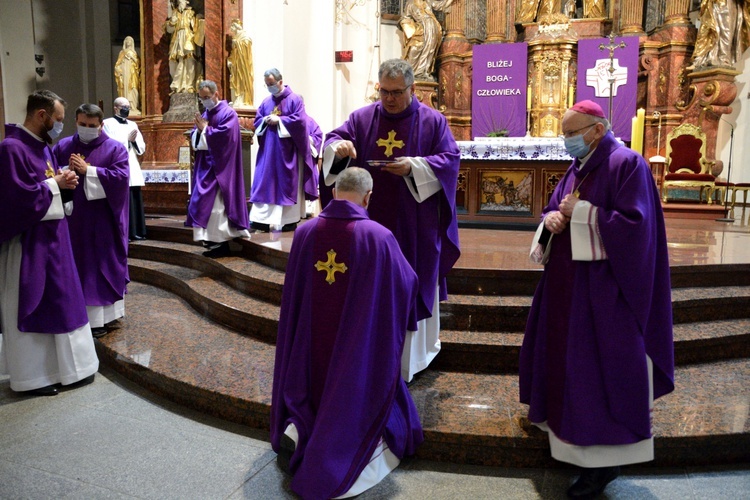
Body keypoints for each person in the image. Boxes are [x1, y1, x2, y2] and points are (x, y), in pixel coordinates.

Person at [520, 100, 674, 498]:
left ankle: (603, 466)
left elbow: (637, 229)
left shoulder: (627, 164)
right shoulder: (578, 167)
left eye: (572, 132)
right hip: (567, 287)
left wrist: (584, 213)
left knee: (598, 374)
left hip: (607, 293)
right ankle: (572, 444)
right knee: (570, 369)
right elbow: (557, 209)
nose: (566, 140)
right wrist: (550, 220)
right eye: (565, 133)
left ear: (597, 129)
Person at [271, 167, 423, 499]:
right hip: (353, 343)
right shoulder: (378, 237)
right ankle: (331, 440)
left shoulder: (305, 232)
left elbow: (294, 297)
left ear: (336, 191)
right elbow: (406, 283)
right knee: (353, 381)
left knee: (313, 376)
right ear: (368, 197)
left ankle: (300, 423)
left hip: (309, 344)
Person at [322, 58, 461, 383]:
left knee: (411, 282)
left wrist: (414, 167)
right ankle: (368, 356)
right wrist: (337, 148)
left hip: (414, 223)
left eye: (397, 92)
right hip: (368, 222)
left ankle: (408, 362)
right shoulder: (362, 118)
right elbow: (333, 142)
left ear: (413, 89)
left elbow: (449, 160)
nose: (389, 99)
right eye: (384, 91)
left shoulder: (433, 122)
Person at [0, 90, 99, 396]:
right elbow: (14, 200)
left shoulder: (42, 147)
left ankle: (67, 370)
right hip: (27, 244)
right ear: (41, 115)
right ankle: (33, 378)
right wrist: (54, 185)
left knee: (62, 303)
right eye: (57, 119)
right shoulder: (11, 149)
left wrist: (64, 185)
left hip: (54, 240)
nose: (60, 126)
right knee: (32, 303)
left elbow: (45, 185)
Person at [53, 103, 130, 338]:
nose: (86, 129)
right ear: (75, 122)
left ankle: (102, 318)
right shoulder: (63, 146)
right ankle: (79, 315)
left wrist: (90, 170)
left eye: (92, 126)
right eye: (82, 124)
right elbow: (49, 174)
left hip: (102, 222)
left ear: (101, 125)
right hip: (72, 219)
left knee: (98, 268)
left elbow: (121, 179)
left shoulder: (115, 149)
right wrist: (63, 175)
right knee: (77, 266)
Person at [185, 80, 249, 257]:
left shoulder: (228, 114)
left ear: (216, 94)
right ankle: (210, 240)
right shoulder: (206, 113)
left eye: (207, 97)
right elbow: (196, 134)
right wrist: (198, 131)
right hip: (206, 166)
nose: (205, 100)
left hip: (222, 167)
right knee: (203, 202)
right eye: (202, 98)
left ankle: (221, 243)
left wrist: (205, 129)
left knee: (217, 207)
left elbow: (225, 138)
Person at [249, 68, 317, 232]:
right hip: (268, 152)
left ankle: (288, 220)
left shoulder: (294, 100)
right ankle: (260, 221)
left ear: (280, 82)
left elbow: (300, 122)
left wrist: (280, 121)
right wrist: (265, 120)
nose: (270, 87)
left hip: (287, 153)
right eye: (267, 85)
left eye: (271, 84)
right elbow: (257, 122)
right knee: (264, 183)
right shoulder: (266, 102)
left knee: (286, 184)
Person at [102, 97, 148, 241]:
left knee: (134, 198)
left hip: (132, 164)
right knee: (123, 200)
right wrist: (126, 140)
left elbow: (141, 146)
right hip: (117, 166)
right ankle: (124, 232)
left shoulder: (133, 124)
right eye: (124, 106)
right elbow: (109, 144)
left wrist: (133, 141)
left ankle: (137, 231)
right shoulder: (107, 124)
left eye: (128, 106)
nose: (127, 109)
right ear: (116, 108)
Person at [399, 0, 454, 81]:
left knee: (430, 50)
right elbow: (405, 18)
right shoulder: (410, 3)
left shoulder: (428, 1)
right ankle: (413, 72)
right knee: (415, 49)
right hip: (420, 29)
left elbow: (441, 5)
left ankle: (425, 72)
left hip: (432, 29)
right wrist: (410, 28)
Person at [691, 0, 750, 68]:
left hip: (728, 4)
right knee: (710, 30)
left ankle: (724, 59)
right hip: (714, 4)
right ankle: (709, 57)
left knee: (726, 33)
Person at [162, 0, 205, 94]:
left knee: (190, 61)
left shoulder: (191, 12)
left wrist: (199, 19)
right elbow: (169, 30)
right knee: (174, 62)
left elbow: (196, 26)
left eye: (181, 1)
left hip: (188, 38)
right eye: (178, 2)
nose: (179, 3)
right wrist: (172, 22)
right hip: (177, 40)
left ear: (187, 2)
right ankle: (177, 85)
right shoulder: (175, 13)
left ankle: (189, 85)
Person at [227, 18, 254, 108]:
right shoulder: (236, 38)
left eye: (232, 26)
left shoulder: (244, 37)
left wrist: (237, 44)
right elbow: (233, 54)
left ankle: (242, 100)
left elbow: (246, 51)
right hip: (236, 66)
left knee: (242, 81)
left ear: (236, 27)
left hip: (243, 67)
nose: (231, 28)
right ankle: (236, 99)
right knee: (234, 80)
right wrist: (230, 61)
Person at [114, 36, 141, 115]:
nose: (128, 42)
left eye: (130, 40)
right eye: (127, 40)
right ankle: (126, 107)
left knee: (133, 89)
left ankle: (133, 107)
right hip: (125, 74)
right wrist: (119, 70)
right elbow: (117, 65)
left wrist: (132, 57)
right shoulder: (122, 52)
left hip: (132, 74)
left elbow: (138, 65)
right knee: (125, 90)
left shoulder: (134, 53)